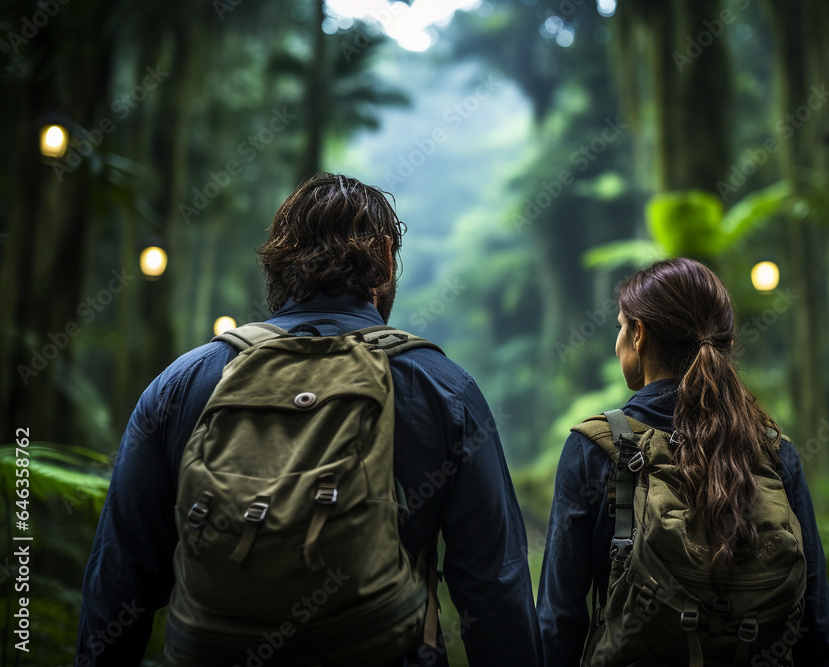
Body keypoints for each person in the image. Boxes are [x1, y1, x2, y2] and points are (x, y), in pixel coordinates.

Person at [76, 172, 543, 666]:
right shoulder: (442, 388)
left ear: (277, 262)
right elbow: (495, 586)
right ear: (385, 260)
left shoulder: (185, 382)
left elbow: (120, 574)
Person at [536, 258, 829, 666]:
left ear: (639, 335)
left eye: (620, 327)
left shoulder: (594, 449)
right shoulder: (774, 453)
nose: (617, 341)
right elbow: (819, 627)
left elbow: (558, 623)